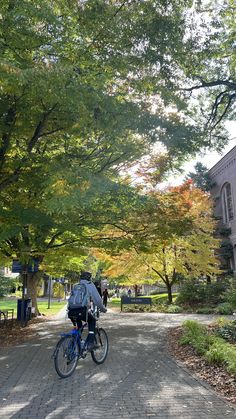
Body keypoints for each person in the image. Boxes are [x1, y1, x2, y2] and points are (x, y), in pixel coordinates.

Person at [68, 271, 107, 351]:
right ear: (89, 278)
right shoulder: (90, 285)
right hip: (82, 311)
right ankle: (90, 343)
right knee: (92, 321)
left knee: (79, 327)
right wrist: (103, 309)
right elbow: (97, 300)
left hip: (71, 311)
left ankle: (75, 344)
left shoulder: (76, 285)